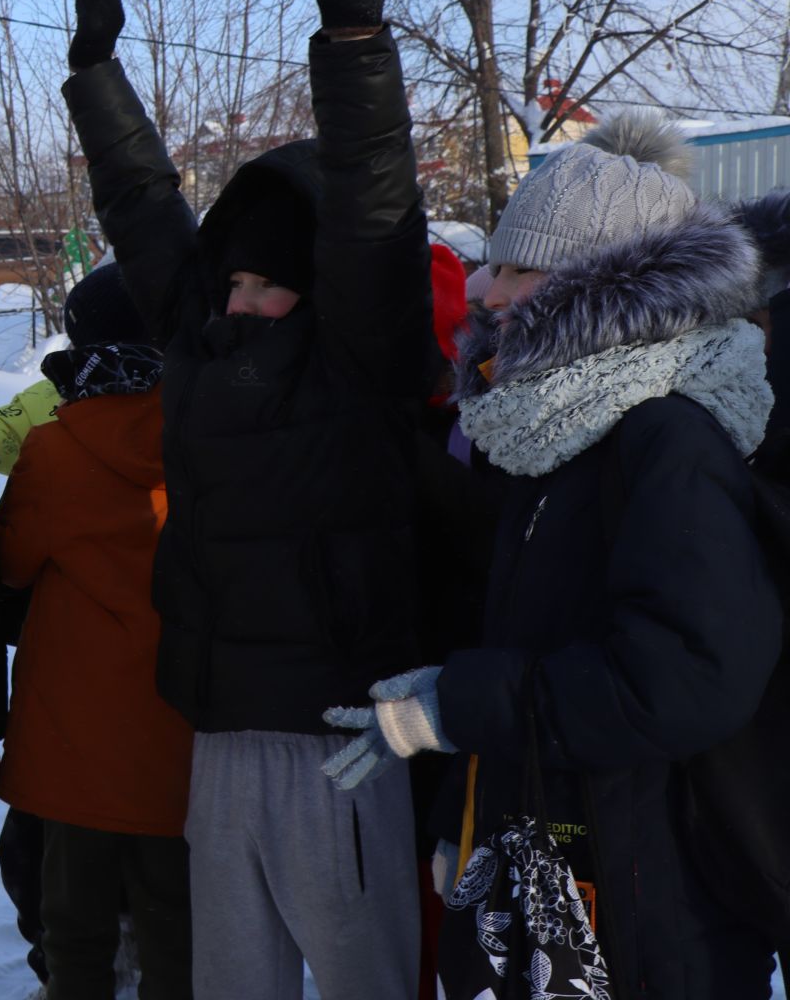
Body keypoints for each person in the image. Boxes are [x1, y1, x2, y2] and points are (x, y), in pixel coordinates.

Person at [61, 0, 433, 998]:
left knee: (368, 979)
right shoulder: (202, 344)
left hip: (342, 738)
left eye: (268, 281)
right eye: (233, 277)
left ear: (316, 291)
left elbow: (372, 205)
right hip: (220, 737)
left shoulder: (357, 362)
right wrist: (95, 74)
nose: (237, 295)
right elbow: (142, 208)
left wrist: (357, 35)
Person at [329, 113, 782, 997]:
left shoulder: (666, 438)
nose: (491, 293)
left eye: (521, 268)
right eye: (496, 263)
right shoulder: (560, 434)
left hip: (655, 906)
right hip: (572, 873)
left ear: (601, 289)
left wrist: (460, 703)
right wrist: (468, 812)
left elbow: (684, 676)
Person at [0, 262, 192, 1000]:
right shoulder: (209, 438)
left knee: (74, 933)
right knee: (177, 930)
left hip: (72, 743)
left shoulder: (55, 448)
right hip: (180, 730)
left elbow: (12, 565)